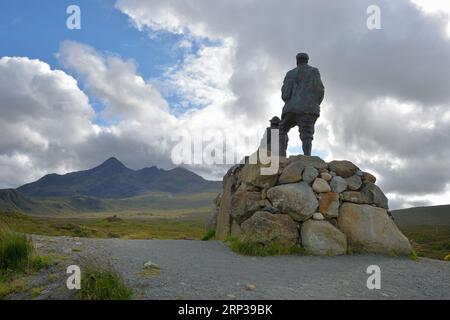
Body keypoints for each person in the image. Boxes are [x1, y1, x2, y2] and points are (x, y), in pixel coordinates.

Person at [279, 53, 324, 156]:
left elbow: (285, 95)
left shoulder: (290, 74)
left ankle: (281, 157)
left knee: (281, 130)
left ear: (297, 61)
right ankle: (307, 156)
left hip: (292, 109)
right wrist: (315, 103)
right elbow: (320, 90)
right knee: (307, 134)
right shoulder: (314, 71)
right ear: (307, 60)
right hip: (310, 108)